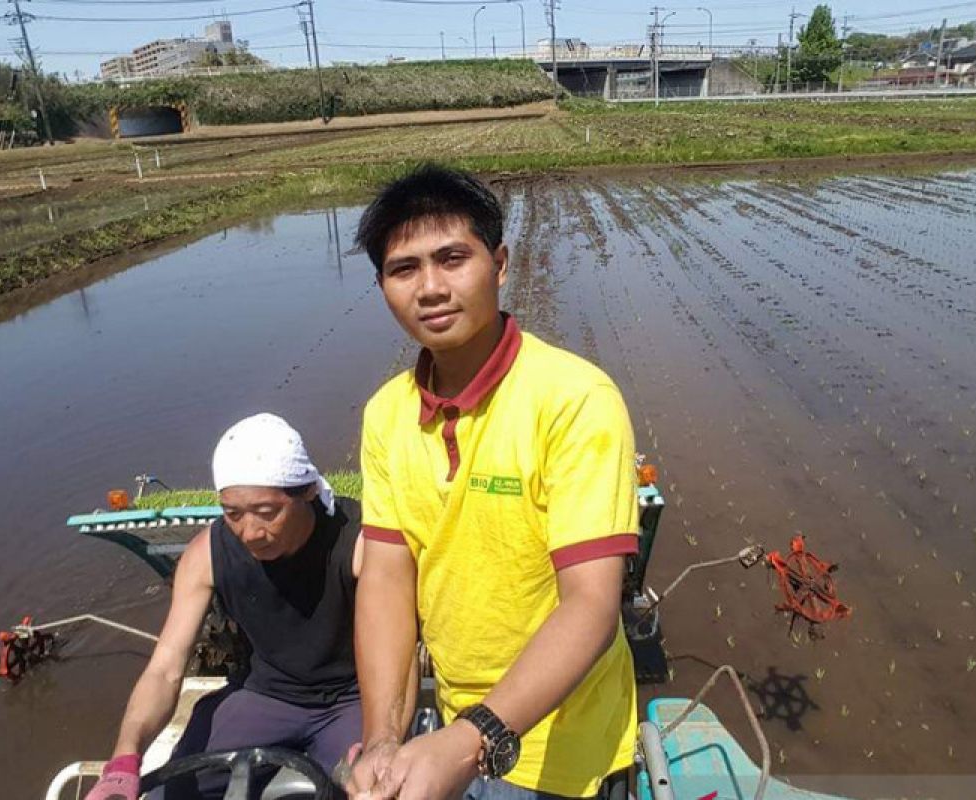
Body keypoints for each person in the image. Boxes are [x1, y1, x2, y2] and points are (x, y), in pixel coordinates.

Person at [349, 165, 639, 800]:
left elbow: (591, 601)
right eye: (404, 269)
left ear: (500, 264)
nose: (430, 288)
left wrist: (469, 739)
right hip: (454, 733)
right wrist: (381, 741)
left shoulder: (573, 399)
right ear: (382, 287)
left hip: (566, 749)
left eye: (453, 259)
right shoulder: (386, 415)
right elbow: (388, 581)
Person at [87, 413, 364, 800]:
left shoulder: (359, 543)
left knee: (370, 789)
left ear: (308, 492)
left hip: (351, 700)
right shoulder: (208, 554)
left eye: (267, 513)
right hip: (264, 696)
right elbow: (165, 668)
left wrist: (383, 740)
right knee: (179, 791)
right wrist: (124, 759)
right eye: (233, 513)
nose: (249, 532)